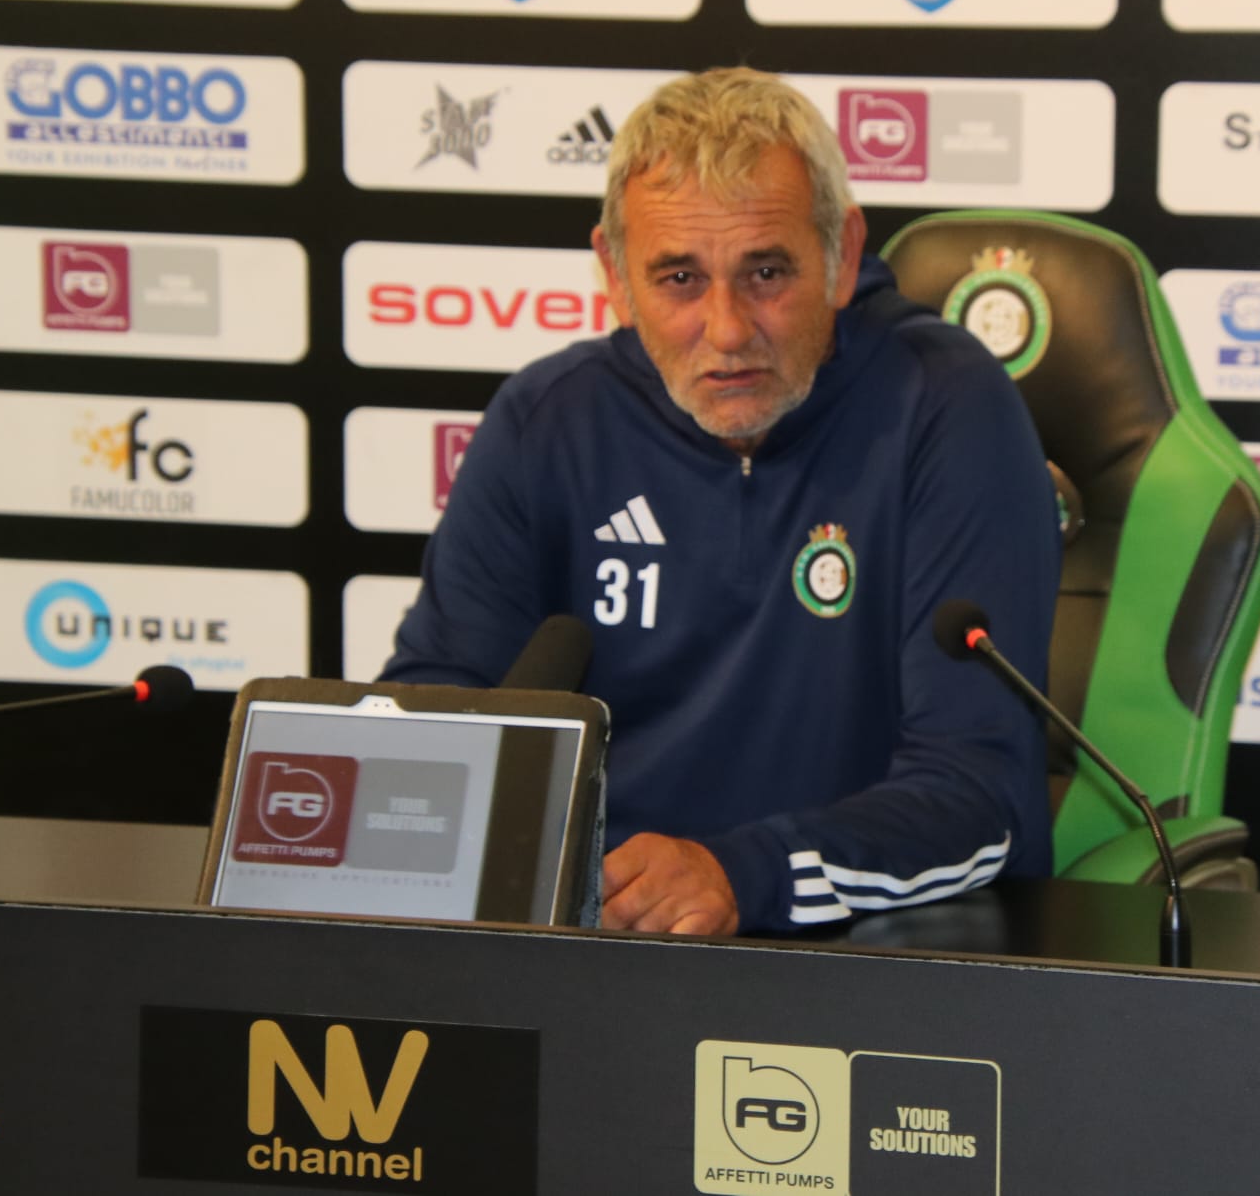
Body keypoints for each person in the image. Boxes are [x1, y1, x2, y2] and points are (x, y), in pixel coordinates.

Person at [382, 67, 1061, 936]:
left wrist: (744, 875)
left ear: (843, 255)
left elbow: (983, 795)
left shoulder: (944, 405)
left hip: (868, 956)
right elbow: (437, 724)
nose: (729, 329)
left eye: (766, 272)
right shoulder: (547, 420)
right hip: (600, 947)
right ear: (615, 275)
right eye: (678, 278)